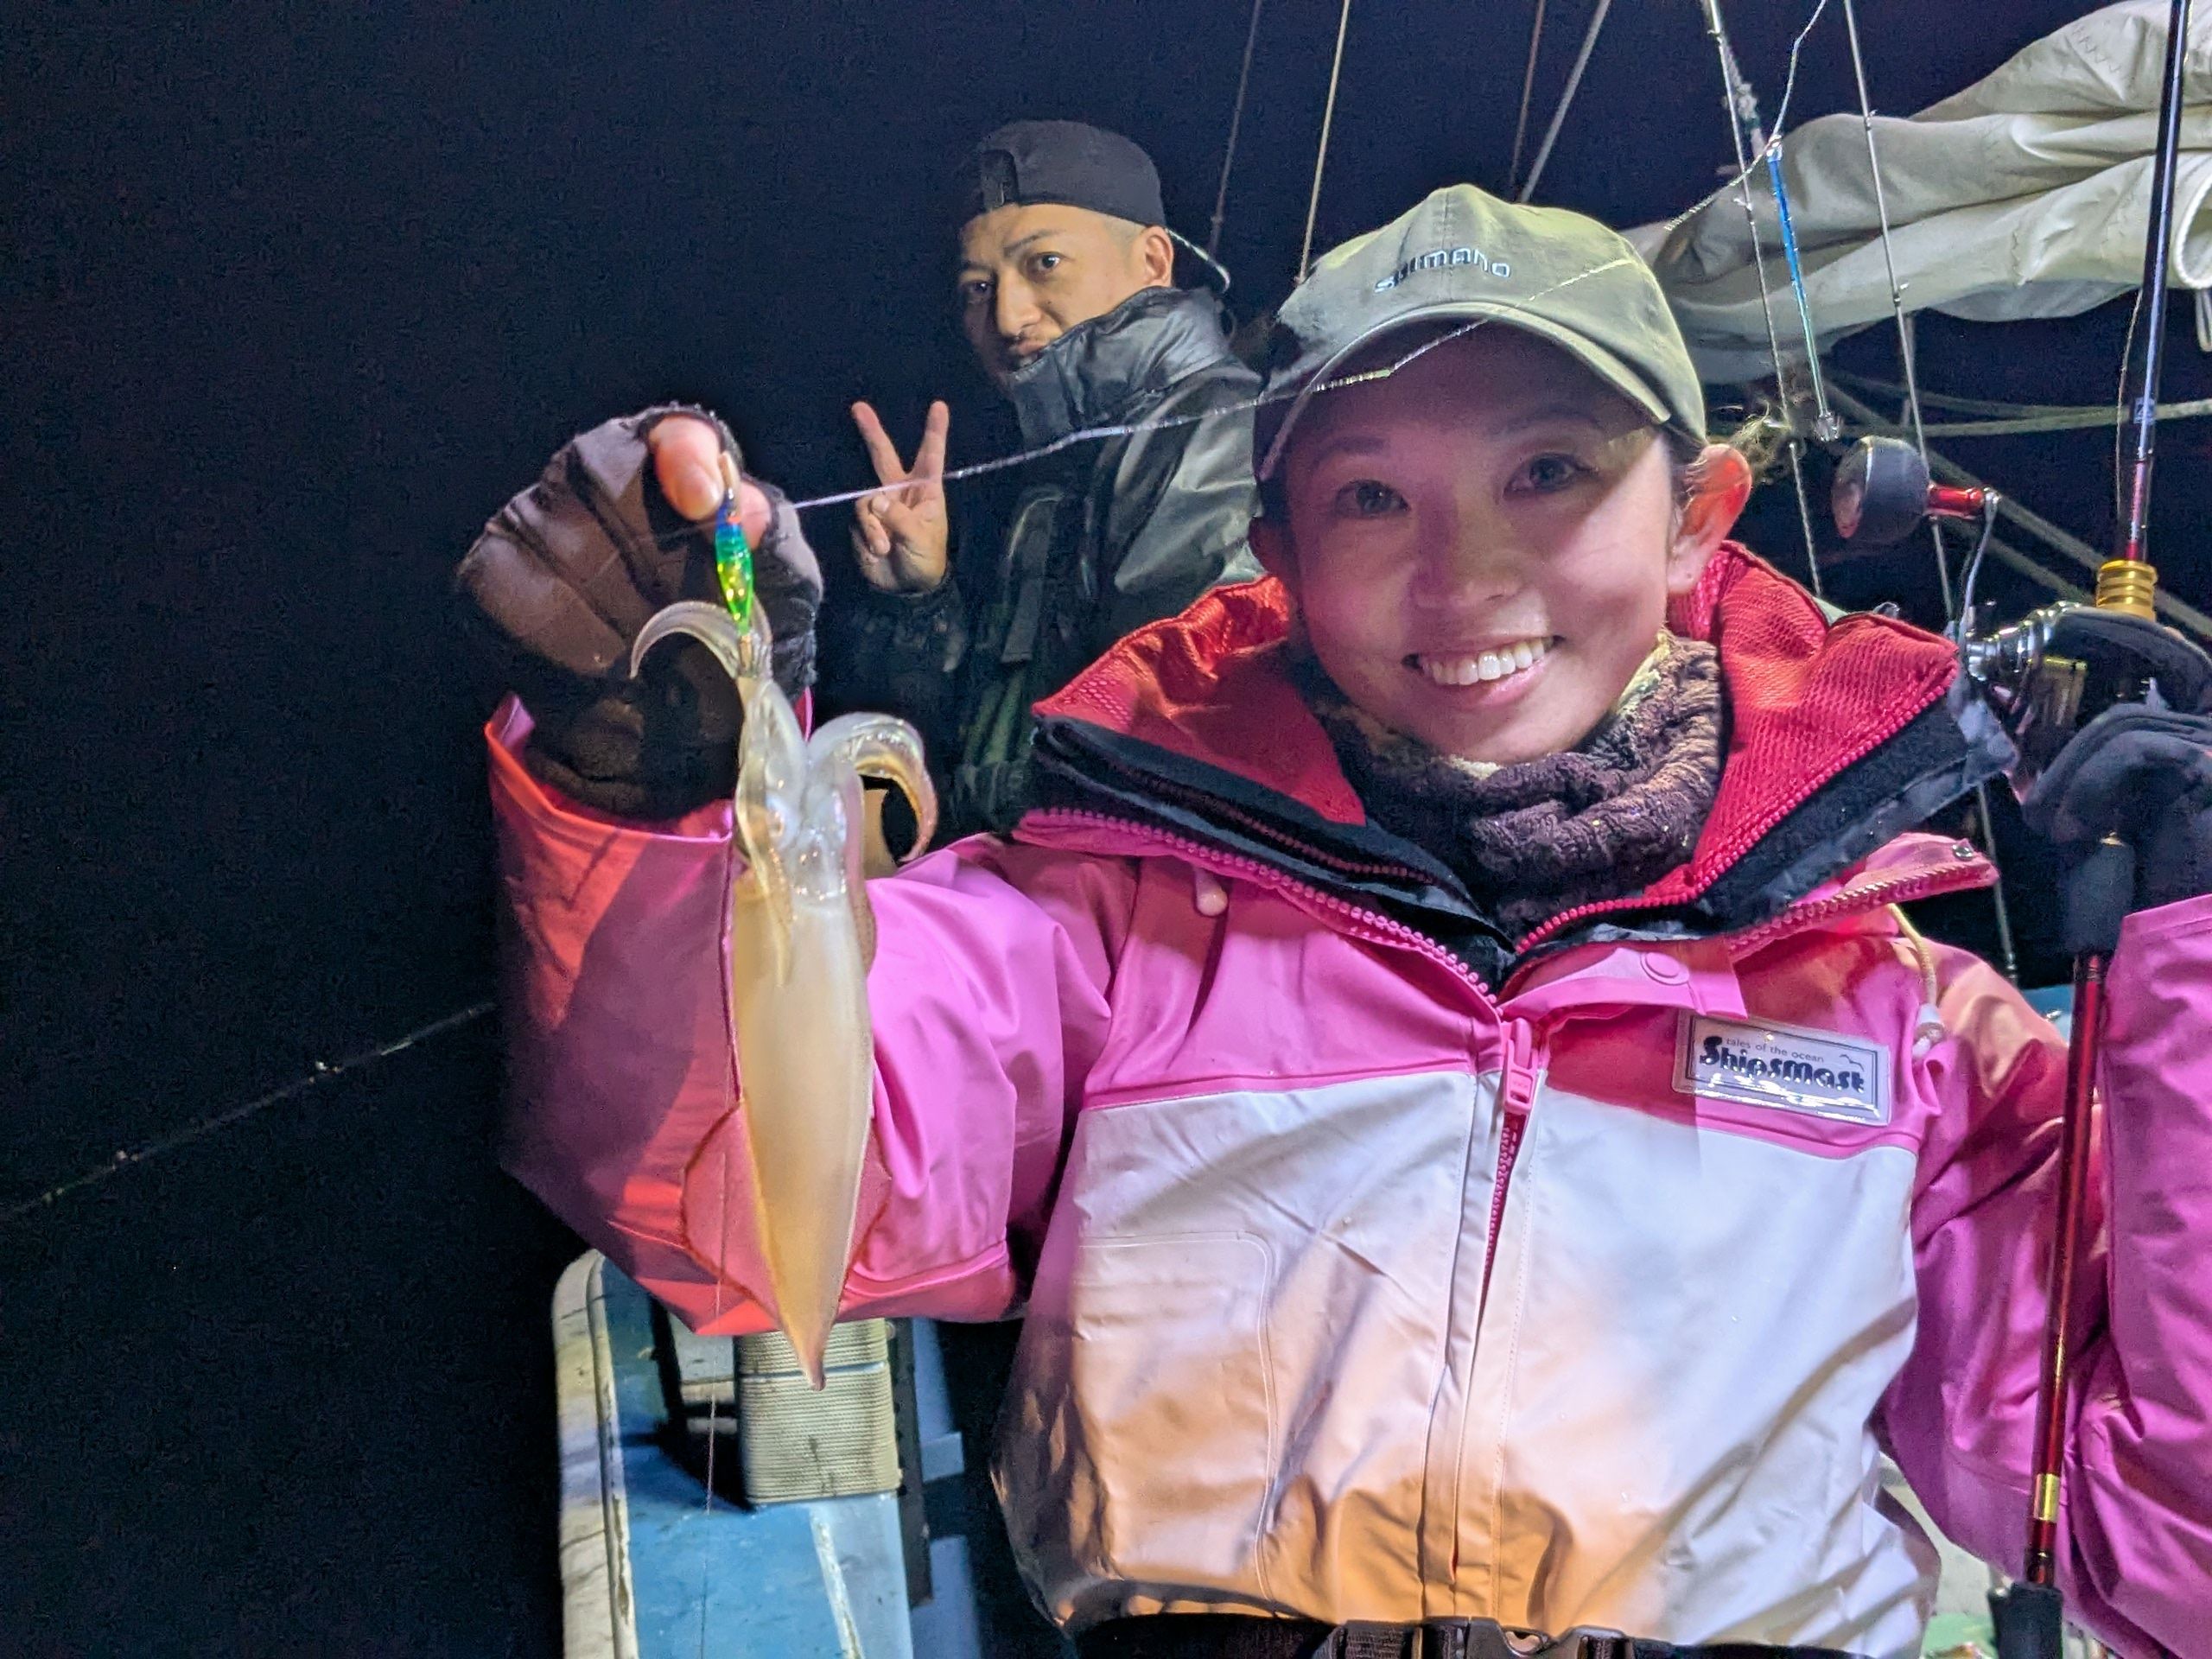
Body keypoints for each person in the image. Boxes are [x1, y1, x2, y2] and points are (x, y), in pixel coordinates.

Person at [482, 187, 2212, 1655]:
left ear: (1695, 518)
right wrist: (652, 777)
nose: (1463, 575)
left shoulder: (1906, 1028)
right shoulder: (1104, 930)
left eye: (1549, 471)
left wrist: (2200, 963)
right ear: (1278, 553)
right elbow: (721, 1177)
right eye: (1371, 496)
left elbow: (2166, 1546)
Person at [823, 118, 1262, 838]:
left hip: (1090, 890)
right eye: (977, 287)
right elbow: (966, 741)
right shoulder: (1051, 457)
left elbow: (1173, 755)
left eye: (1045, 263)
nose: (1007, 316)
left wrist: (934, 840)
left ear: (1154, 260)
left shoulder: (1207, 427)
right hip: (1006, 884)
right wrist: (915, 605)